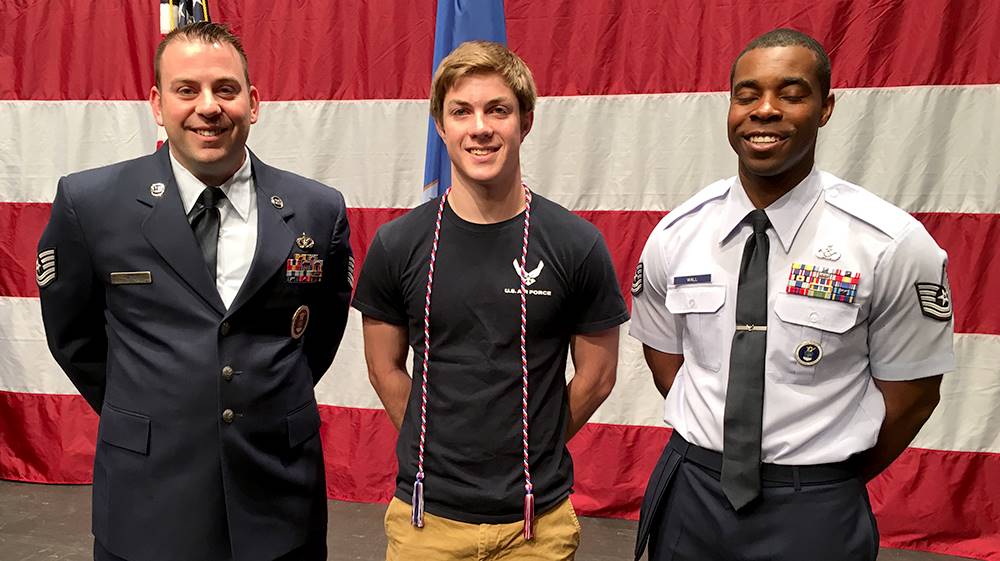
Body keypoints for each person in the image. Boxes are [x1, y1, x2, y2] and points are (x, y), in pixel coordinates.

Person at [630, 28, 954, 561]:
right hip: (694, 493)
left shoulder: (890, 243)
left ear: (825, 108)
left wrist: (819, 473)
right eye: (747, 94)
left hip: (814, 509)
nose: (765, 110)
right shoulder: (676, 233)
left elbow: (914, 395)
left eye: (792, 93)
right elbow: (669, 360)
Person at [36, 22, 352, 561]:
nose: (208, 106)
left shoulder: (318, 209)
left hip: (279, 494)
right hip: (149, 495)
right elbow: (75, 338)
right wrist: (154, 404)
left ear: (253, 103)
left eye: (225, 89)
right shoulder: (89, 203)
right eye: (187, 90)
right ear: (158, 104)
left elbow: (316, 337)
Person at [352, 40, 629, 560]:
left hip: (536, 524)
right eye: (461, 111)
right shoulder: (397, 244)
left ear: (524, 122)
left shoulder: (576, 244)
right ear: (441, 125)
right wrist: (438, 441)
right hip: (424, 521)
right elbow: (383, 368)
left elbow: (597, 377)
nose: (480, 127)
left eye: (497, 110)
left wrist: (533, 441)